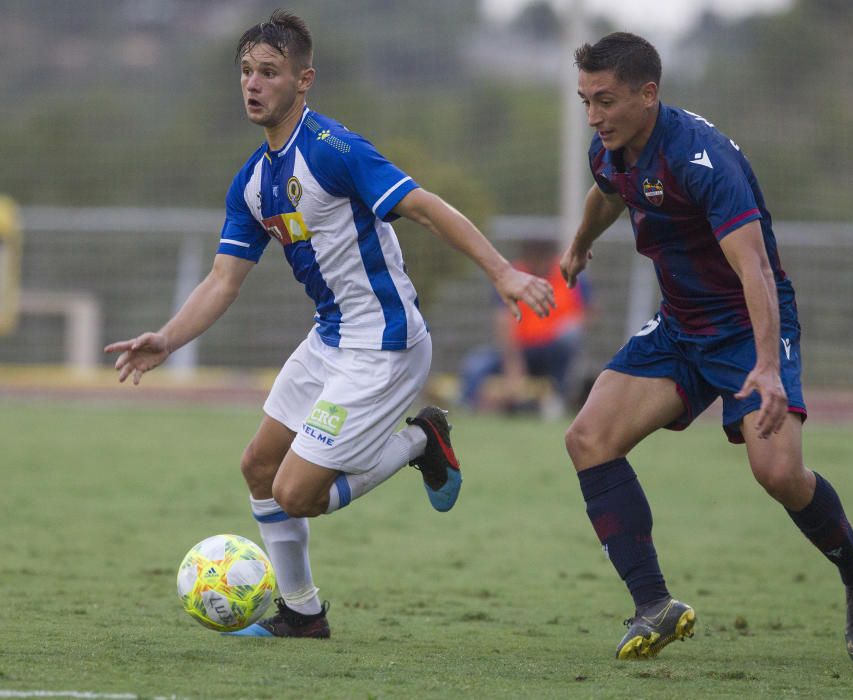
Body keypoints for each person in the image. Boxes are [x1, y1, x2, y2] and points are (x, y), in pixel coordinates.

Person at [105, 10, 554, 639]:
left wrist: (503, 272)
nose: (253, 84)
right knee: (259, 467)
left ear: (304, 79)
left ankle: (422, 440)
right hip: (331, 337)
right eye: (245, 71)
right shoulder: (254, 182)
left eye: (269, 72)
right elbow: (222, 280)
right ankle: (303, 614)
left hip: (385, 345)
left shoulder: (335, 150)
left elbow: (423, 206)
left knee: (297, 493)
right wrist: (167, 337)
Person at [560, 32, 853, 662]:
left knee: (778, 472)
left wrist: (766, 365)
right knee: (588, 439)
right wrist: (578, 245)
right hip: (681, 325)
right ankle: (653, 605)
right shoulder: (613, 149)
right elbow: (608, 194)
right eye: (585, 101)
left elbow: (756, 271)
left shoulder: (700, 160)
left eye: (605, 100)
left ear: (648, 94)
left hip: (748, 325)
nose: (594, 116)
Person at [459, 239, 589, 416]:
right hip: (518, 347)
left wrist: (569, 323)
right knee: (475, 363)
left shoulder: (569, 275)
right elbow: (502, 321)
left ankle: (558, 399)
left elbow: (586, 312)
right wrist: (513, 365)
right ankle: (470, 406)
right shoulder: (512, 276)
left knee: (569, 337)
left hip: (550, 349)